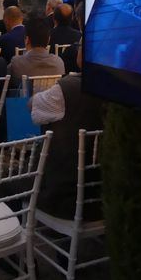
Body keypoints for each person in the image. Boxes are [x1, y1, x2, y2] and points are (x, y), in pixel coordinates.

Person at [29, 41, 104, 220]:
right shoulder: (118, 88)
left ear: (81, 55)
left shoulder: (68, 88)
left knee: (4, 182)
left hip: (61, 195)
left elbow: (32, 108)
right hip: (101, 194)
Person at [8, 17, 65, 89]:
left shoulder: (16, 63)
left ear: (27, 40)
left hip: (26, 100)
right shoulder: (58, 62)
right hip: (50, 100)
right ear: (48, 39)